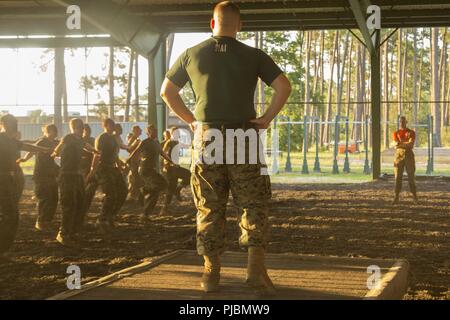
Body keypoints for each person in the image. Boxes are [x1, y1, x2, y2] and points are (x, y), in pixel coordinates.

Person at [160, 1, 291, 295]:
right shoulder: (253, 55)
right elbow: (284, 86)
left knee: (209, 204)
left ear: (212, 24)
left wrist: (192, 121)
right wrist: (267, 118)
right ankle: (255, 272)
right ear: (239, 25)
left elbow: (166, 92)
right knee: (253, 204)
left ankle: (211, 274)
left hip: (207, 137)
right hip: (244, 135)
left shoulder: (192, 54)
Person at [0, 114, 51, 255]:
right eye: (12, 123)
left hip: (11, 179)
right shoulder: (2, 138)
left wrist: (42, 149)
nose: (14, 126)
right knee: (10, 215)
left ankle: (4, 248)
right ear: (4, 124)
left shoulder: (11, 140)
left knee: (11, 215)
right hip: (3, 179)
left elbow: (25, 146)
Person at [51, 118, 95, 246]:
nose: (83, 130)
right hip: (67, 175)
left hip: (77, 175)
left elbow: (87, 147)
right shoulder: (68, 138)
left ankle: (74, 232)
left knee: (80, 204)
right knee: (69, 204)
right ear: (75, 127)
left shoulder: (80, 140)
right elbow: (57, 151)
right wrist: (58, 155)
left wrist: (95, 151)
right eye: (81, 128)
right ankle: (63, 234)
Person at [86, 118, 128, 233]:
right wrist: (92, 170)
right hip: (103, 168)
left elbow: (115, 155)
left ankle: (111, 215)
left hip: (113, 168)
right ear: (105, 125)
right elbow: (97, 155)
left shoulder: (114, 138)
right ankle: (102, 219)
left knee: (123, 191)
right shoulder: (102, 138)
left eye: (113, 124)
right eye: (111, 124)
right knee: (111, 194)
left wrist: (119, 164)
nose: (113, 126)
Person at [127, 125, 174, 220]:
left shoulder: (156, 142)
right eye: (153, 131)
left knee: (162, 185)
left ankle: (143, 191)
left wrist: (171, 162)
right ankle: (145, 213)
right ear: (148, 132)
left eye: (156, 131)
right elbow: (136, 152)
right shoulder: (145, 142)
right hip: (145, 169)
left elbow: (162, 153)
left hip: (154, 170)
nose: (155, 132)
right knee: (158, 188)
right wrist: (129, 160)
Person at [18, 124, 60, 231]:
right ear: (46, 132)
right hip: (41, 174)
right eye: (51, 131)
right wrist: (25, 159)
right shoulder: (42, 141)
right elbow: (32, 150)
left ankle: (47, 220)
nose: (53, 134)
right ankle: (41, 221)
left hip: (51, 174)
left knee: (54, 198)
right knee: (45, 198)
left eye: (54, 132)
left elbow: (61, 150)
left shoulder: (55, 142)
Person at [160, 127, 191, 215]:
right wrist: (169, 162)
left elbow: (186, 146)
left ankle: (178, 189)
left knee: (189, 175)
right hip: (170, 168)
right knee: (171, 188)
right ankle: (164, 209)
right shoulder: (169, 142)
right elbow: (163, 153)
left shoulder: (177, 142)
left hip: (176, 168)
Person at [392, 116, 418, 204]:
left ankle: (415, 197)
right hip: (398, 156)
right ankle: (396, 197)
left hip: (409, 155)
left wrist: (400, 144)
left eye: (403, 121)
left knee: (411, 177)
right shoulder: (396, 133)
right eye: (400, 121)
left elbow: (411, 145)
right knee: (397, 177)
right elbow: (395, 145)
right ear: (399, 122)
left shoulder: (411, 132)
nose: (401, 123)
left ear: (406, 122)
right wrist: (404, 144)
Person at [127, 125, 143, 201]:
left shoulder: (137, 139)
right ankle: (132, 196)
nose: (141, 131)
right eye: (139, 129)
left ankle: (134, 195)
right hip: (133, 161)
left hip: (137, 161)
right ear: (135, 131)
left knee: (136, 178)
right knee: (134, 178)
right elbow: (129, 149)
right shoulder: (133, 139)